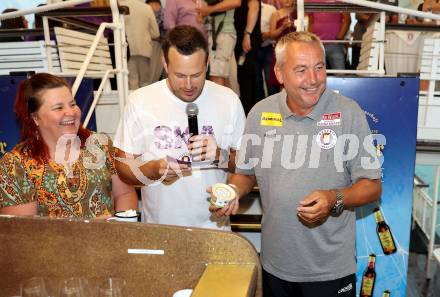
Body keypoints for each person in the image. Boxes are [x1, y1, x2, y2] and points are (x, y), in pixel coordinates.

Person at [210, 31, 382, 296]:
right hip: (275, 265)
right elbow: (246, 173)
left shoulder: (349, 113)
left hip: (330, 270)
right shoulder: (260, 113)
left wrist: (333, 198)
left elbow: (372, 186)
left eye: (319, 67)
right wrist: (233, 191)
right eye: (301, 70)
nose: (313, 80)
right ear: (279, 73)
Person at [114, 25, 246, 230]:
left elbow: (246, 164)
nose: (188, 84)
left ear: (207, 63)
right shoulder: (140, 101)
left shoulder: (228, 100)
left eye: (196, 74)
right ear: (165, 64)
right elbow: (123, 167)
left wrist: (220, 156)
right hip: (161, 231)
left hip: (216, 231)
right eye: (180, 75)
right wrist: (154, 169)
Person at [0, 73, 138, 218]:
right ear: (35, 118)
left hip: (109, 239)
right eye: (59, 108)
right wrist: (91, 229)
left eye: (72, 104)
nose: (71, 112)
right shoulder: (15, 166)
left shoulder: (99, 144)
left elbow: (125, 194)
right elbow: (24, 230)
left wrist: (121, 225)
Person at [198, 0, 241, 87]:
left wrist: (209, 9)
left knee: (217, 76)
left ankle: (219, 100)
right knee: (221, 76)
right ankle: (226, 100)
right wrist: (203, 12)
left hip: (223, 33)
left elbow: (236, 2)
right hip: (216, 34)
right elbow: (200, 18)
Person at [119, 0, 159, 89]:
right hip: (144, 48)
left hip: (125, 48)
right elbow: (156, 33)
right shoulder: (146, 8)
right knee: (145, 83)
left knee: (131, 82)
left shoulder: (118, 6)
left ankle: (132, 102)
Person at [234, 0, 261, 114]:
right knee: (245, 76)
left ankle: (249, 110)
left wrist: (247, 34)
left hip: (248, 39)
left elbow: (254, 7)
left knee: (247, 76)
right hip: (241, 39)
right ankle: (249, 109)